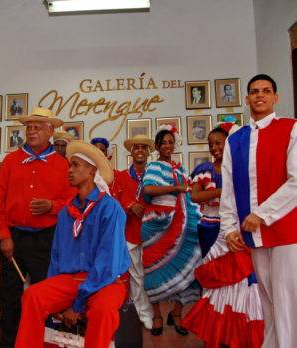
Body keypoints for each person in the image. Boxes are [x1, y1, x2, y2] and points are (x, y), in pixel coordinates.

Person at [15, 140, 131, 348]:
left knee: (102, 312)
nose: (69, 170)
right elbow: (56, 257)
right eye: (70, 165)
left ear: (91, 171)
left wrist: (77, 304)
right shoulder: (66, 212)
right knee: (33, 295)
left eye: (75, 165)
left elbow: (107, 263)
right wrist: (56, 299)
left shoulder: (109, 208)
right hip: (72, 280)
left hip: (107, 281)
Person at [220, 74, 297, 347]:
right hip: (253, 235)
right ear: (247, 99)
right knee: (268, 300)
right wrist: (228, 228)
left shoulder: (291, 128)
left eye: (266, 91)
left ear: (276, 97)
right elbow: (227, 189)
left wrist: (262, 214)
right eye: (254, 91)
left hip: (286, 232)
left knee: (288, 301)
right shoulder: (235, 139)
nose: (259, 95)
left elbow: (296, 181)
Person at [0, 107, 75, 347]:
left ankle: (41, 342)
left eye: (38, 127)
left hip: (47, 239)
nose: (32, 131)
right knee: (9, 295)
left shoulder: (62, 165)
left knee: (45, 294)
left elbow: (72, 203)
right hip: (14, 238)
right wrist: (5, 236)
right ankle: (10, 343)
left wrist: (51, 206)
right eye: (29, 127)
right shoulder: (10, 161)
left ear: (50, 131)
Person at [181, 123, 264, 347]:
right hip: (209, 229)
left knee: (241, 280)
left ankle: (235, 331)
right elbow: (196, 197)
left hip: (235, 228)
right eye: (211, 144)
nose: (215, 148)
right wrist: (224, 190)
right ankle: (215, 332)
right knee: (214, 280)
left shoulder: (240, 168)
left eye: (219, 142)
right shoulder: (205, 169)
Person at [141, 126, 201, 336]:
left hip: (181, 220)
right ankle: (156, 314)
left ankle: (177, 312)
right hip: (157, 223)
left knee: (190, 264)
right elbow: (148, 190)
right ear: (157, 146)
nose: (167, 146)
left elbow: (190, 192)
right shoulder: (154, 166)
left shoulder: (181, 168)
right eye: (163, 143)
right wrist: (175, 189)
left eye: (170, 142)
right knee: (152, 269)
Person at [110, 134, 155, 330]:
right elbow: (112, 201)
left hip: (152, 232)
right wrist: (129, 205)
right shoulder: (120, 176)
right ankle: (141, 313)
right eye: (136, 147)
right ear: (131, 151)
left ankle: (148, 312)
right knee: (135, 275)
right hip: (129, 232)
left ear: (148, 152)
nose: (140, 151)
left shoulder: (154, 176)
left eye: (143, 148)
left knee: (150, 275)